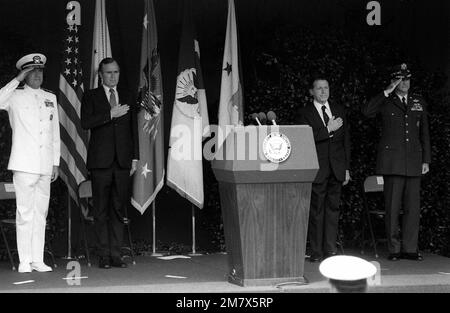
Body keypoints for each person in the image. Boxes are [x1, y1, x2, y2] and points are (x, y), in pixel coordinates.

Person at [362, 63, 430, 261]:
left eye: (408, 79)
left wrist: (426, 159)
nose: (405, 83)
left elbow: (424, 131)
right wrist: (386, 91)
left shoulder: (418, 101)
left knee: (413, 208)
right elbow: (367, 111)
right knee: (392, 207)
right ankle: (394, 249)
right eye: (401, 79)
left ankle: (410, 248)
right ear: (394, 80)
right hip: (392, 162)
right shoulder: (386, 100)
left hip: (414, 161)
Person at [0, 53, 60, 273]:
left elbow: (55, 133)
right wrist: (17, 79)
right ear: (25, 74)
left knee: (40, 213)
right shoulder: (14, 96)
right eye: (32, 71)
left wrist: (55, 163)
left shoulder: (50, 97)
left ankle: (37, 258)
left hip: (45, 164)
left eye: (40, 71)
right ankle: (25, 260)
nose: (37, 75)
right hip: (24, 163)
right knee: (24, 213)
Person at [81, 58, 138, 269]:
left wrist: (135, 157)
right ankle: (103, 256)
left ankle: (116, 255)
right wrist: (109, 114)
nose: (112, 76)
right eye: (108, 73)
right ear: (100, 75)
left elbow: (134, 128)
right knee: (101, 210)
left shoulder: (128, 95)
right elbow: (85, 123)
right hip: (100, 162)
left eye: (116, 72)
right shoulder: (91, 96)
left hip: (123, 162)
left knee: (118, 209)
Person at [295, 77, 351, 262]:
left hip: (337, 169)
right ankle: (316, 252)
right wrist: (328, 129)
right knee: (316, 212)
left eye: (326, 88)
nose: (323, 91)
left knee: (333, 210)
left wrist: (347, 169)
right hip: (317, 169)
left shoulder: (339, 110)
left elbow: (345, 142)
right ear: (311, 91)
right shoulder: (304, 113)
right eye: (319, 88)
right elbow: (305, 138)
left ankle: (330, 250)